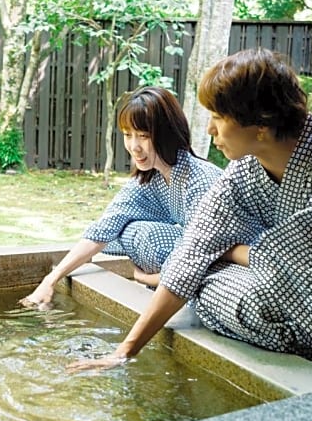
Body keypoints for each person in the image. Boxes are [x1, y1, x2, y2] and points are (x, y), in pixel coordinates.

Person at [68, 48, 312, 379]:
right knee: (198, 279)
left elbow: (304, 260)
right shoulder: (243, 172)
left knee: (251, 302)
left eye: (218, 117)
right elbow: (191, 253)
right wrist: (124, 352)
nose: (209, 130)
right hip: (285, 284)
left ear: (260, 123)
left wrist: (232, 251)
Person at [19, 86, 223, 309]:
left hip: (224, 271)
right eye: (128, 135)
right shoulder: (150, 179)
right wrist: (52, 279)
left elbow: (199, 257)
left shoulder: (199, 178)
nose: (134, 146)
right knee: (119, 231)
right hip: (186, 270)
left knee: (144, 234)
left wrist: (147, 279)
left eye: (144, 136)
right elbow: (102, 230)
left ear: (168, 133)